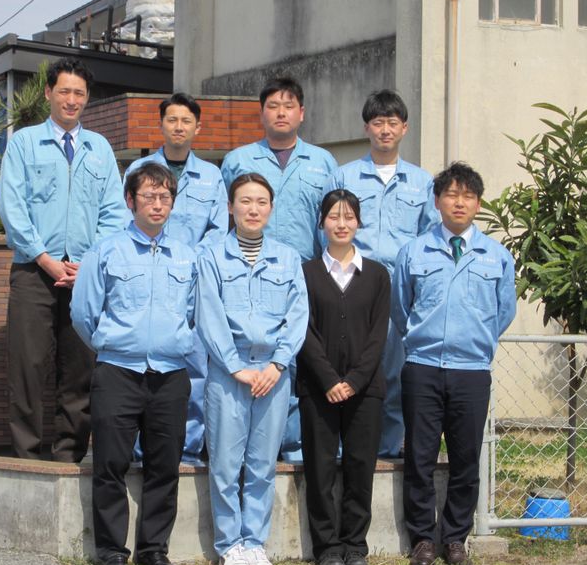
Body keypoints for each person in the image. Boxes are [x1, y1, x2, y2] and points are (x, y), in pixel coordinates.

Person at [0, 59, 124, 462]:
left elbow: (114, 213)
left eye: (79, 93)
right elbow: (12, 207)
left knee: (80, 367)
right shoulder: (25, 143)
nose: (72, 100)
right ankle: (28, 459)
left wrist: (88, 264)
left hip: (84, 274)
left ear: (87, 98)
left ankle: (69, 455)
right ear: (49, 93)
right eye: (64, 91)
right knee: (28, 366)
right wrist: (45, 258)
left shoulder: (99, 149)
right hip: (34, 271)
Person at [391, 163, 516, 565]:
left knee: (466, 459)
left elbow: (503, 311)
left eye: (468, 196)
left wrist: (475, 341)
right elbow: (400, 308)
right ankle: (423, 540)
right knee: (420, 458)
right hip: (423, 365)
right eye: (451, 194)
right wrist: (423, 336)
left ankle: (456, 537)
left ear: (478, 204)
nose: (459, 202)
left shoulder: (496, 256)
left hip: (471, 370)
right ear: (437, 201)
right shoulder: (414, 252)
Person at [71, 163, 196, 565]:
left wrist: (176, 341)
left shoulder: (187, 255)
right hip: (117, 373)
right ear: (130, 200)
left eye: (165, 197)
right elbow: (83, 313)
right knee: (110, 463)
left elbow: (194, 312)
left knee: (165, 465)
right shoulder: (106, 251)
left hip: (170, 375)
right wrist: (111, 344)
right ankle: (111, 551)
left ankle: (153, 549)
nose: (157, 204)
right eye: (149, 196)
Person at [221, 76, 338, 462]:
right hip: (248, 275)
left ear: (301, 113)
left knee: (304, 359)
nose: (281, 113)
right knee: (254, 356)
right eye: (273, 106)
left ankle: (296, 441)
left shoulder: (323, 162)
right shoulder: (238, 160)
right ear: (262, 114)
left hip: (305, 275)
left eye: (289, 106)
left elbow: (329, 223)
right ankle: (251, 443)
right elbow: (224, 222)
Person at [196, 173, 308, 565]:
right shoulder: (212, 257)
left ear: (271, 208)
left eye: (261, 202)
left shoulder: (288, 258)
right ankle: (230, 545)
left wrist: (278, 363)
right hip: (229, 373)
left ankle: (254, 541)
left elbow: (298, 314)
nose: (253, 209)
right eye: (245, 201)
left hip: (274, 374)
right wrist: (235, 366)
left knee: (262, 464)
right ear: (230, 207)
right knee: (225, 464)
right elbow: (208, 316)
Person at [327, 90, 437, 459]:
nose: (385, 130)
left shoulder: (422, 182)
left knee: (394, 369)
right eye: (378, 122)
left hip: (399, 291)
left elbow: (429, 238)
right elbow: (326, 230)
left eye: (392, 122)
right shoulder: (344, 176)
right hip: (350, 286)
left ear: (405, 128)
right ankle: (342, 445)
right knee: (346, 364)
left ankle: (389, 447)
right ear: (366, 128)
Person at [124, 92, 228, 464]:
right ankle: (142, 447)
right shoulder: (140, 170)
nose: (178, 127)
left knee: (195, 364)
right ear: (161, 125)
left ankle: (188, 447)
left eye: (186, 121)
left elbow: (218, 229)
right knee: (145, 362)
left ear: (197, 127)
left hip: (194, 282)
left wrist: (187, 261)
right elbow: (127, 222)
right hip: (148, 279)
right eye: (172, 120)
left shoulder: (212, 176)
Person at [297, 190, 391, 565]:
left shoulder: (377, 275)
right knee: (319, 469)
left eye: (349, 216)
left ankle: (355, 546)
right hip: (317, 389)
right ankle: (327, 548)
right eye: (334, 217)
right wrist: (328, 379)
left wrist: (354, 380)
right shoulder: (305, 273)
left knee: (359, 467)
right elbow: (303, 331)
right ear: (321, 222)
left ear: (358, 222)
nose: (341, 224)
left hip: (365, 391)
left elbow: (378, 335)